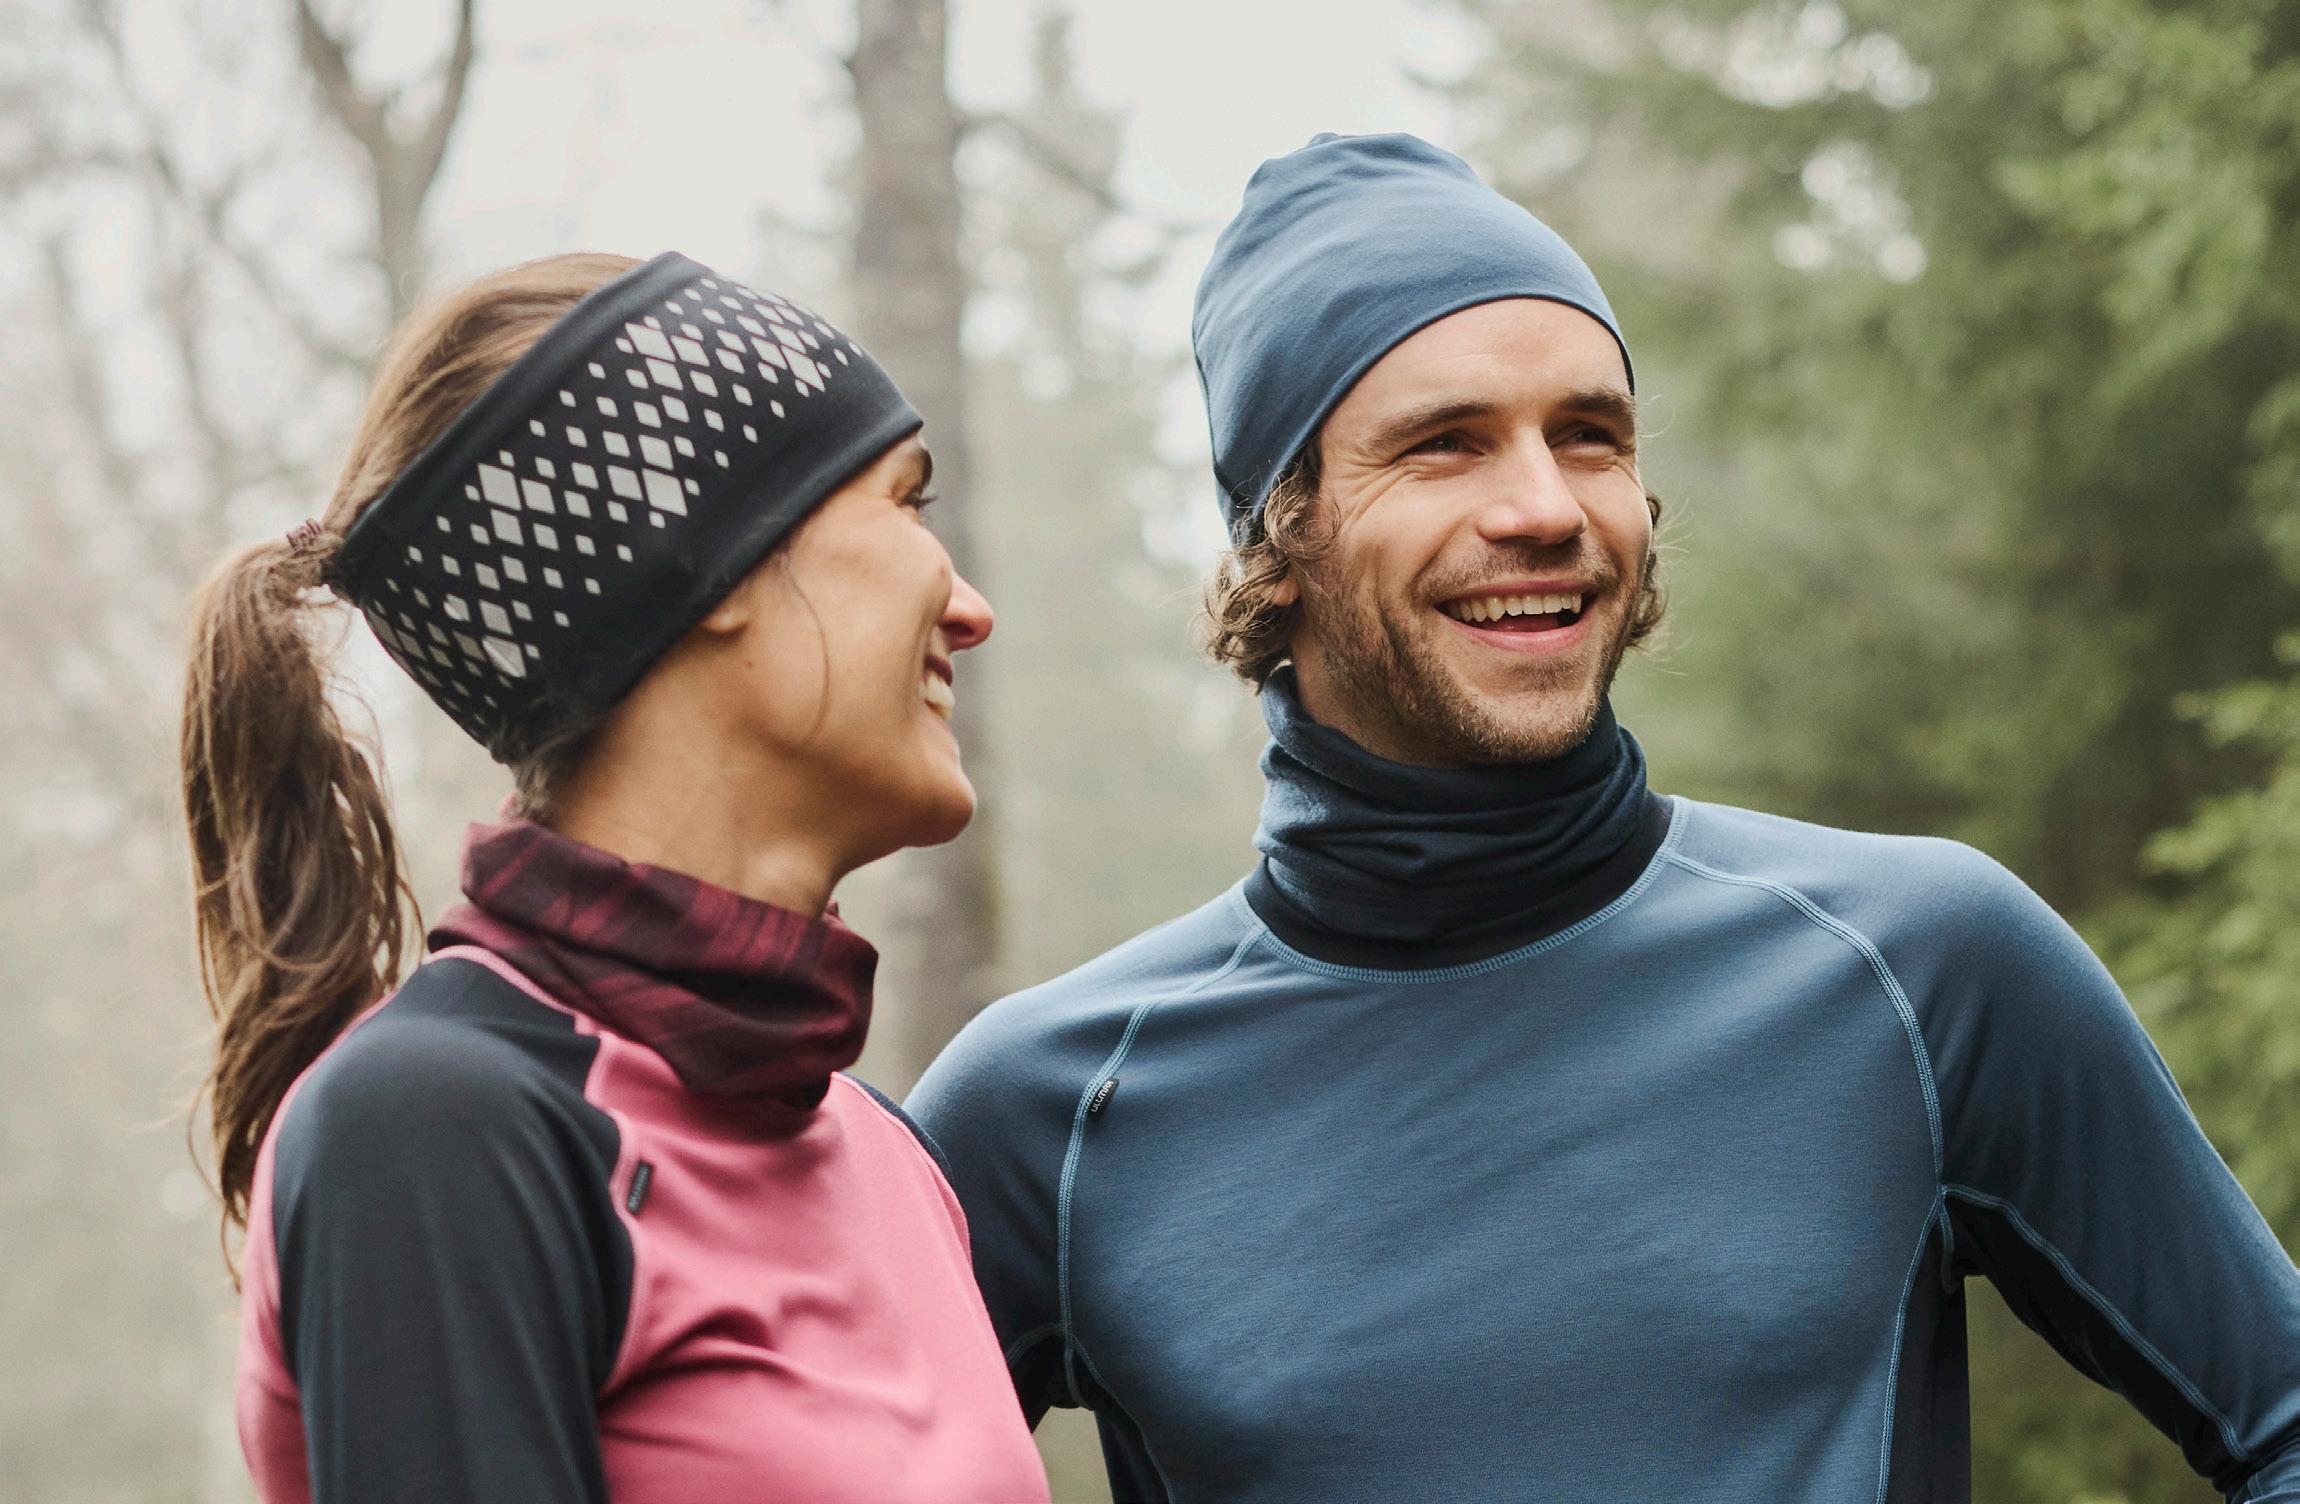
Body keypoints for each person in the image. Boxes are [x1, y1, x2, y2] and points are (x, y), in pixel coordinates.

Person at [908, 133, 2300, 1502]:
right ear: (1283, 529)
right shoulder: (1048, 1112)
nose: (1543, 506)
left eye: (1589, 436)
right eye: (1443, 445)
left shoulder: (1919, 965)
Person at [183, 251, 1050, 1504]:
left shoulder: (879, 1146)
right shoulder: (439, 1128)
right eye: (905, 503)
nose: (967, 606)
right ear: (717, 565)